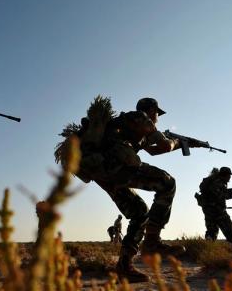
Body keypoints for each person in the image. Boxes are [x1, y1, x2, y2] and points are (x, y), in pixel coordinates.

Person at [72, 97, 188, 282]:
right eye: (157, 113)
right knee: (167, 183)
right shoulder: (140, 117)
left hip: (104, 175)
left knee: (139, 212)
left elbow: (153, 151)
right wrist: (176, 143)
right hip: (117, 167)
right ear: (152, 110)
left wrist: (181, 144)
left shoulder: (127, 125)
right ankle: (151, 242)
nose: (158, 118)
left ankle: (124, 267)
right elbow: (165, 145)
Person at [197, 167, 232, 244]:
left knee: (212, 232)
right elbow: (220, 195)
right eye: (229, 176)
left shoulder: (214, 182)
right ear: (225, 175)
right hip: (217, 210)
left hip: (208, 210)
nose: (230, 178)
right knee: (231, 232)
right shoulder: (218, 183)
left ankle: (208, 248)